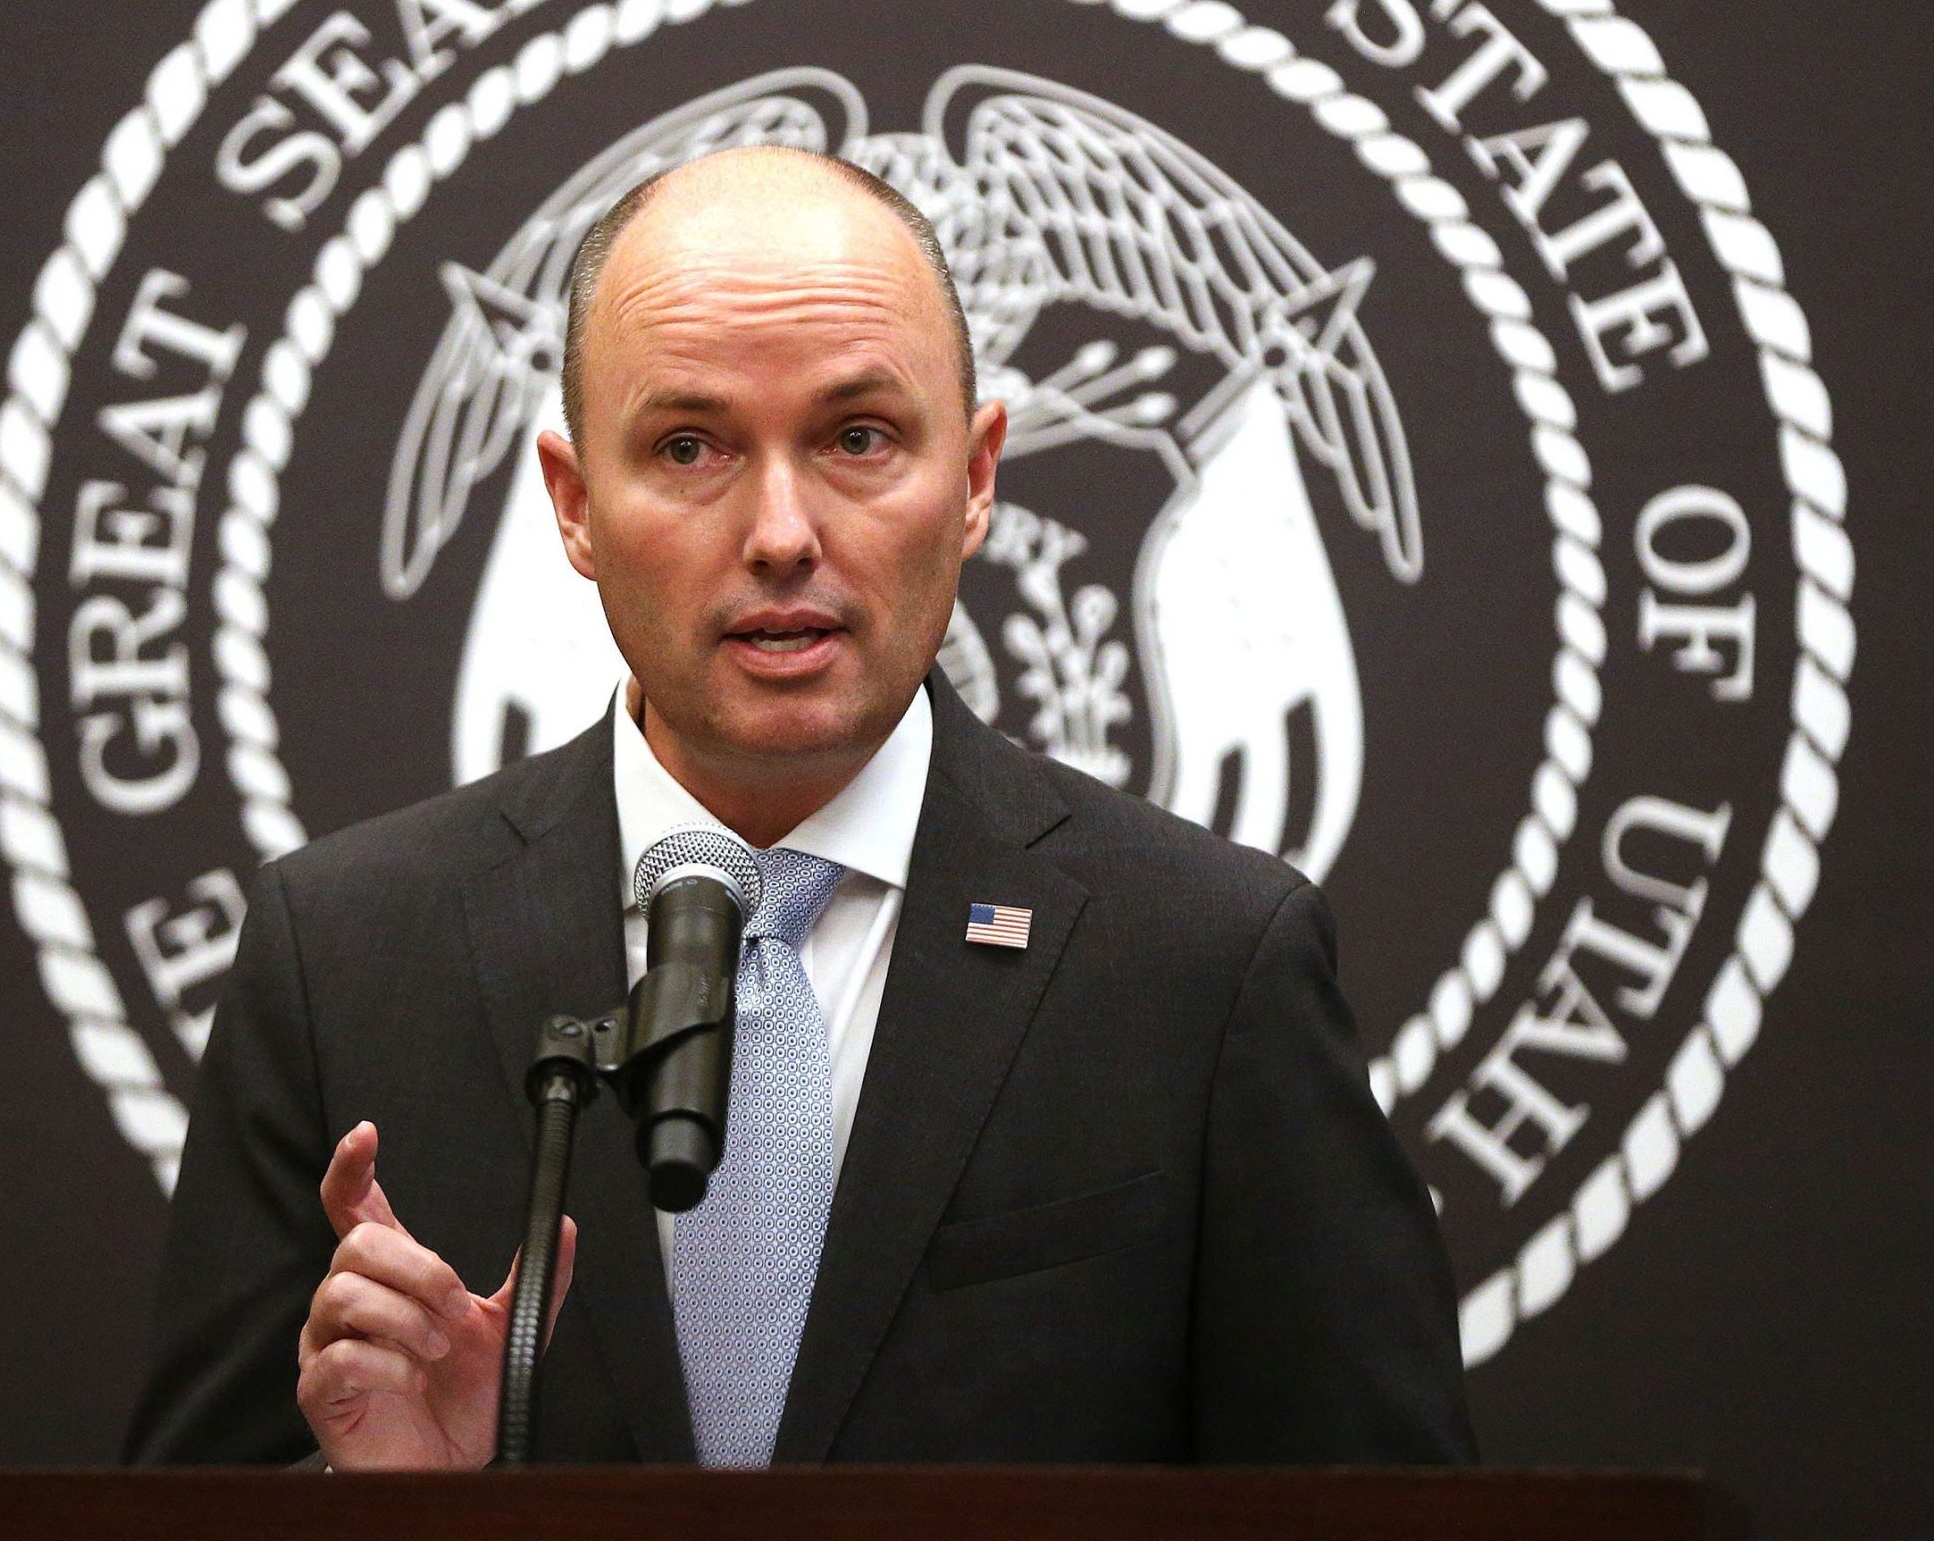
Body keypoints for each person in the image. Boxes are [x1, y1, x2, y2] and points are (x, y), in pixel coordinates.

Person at [125, 145, 1474, 1468]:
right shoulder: (344, 955)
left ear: (980, 477)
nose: (780, 531)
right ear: (576, 503)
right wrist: (394, 1521)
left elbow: (1390, 1522)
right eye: (692, 445)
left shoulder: (1206, 964)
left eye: (859, 437)